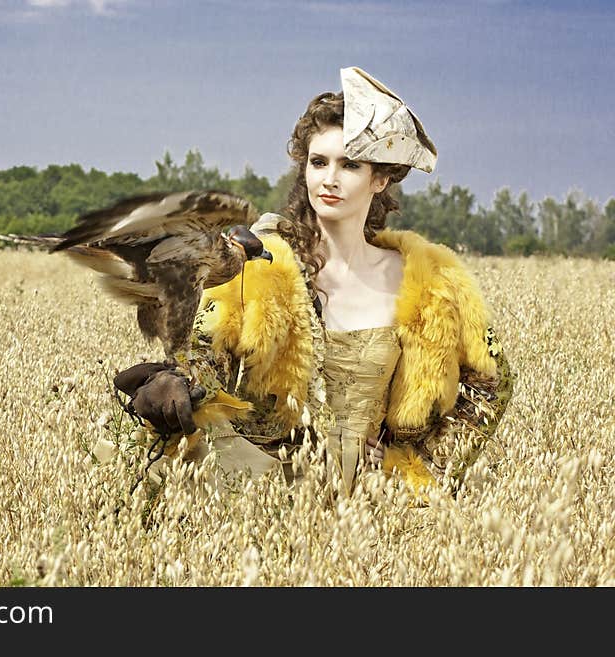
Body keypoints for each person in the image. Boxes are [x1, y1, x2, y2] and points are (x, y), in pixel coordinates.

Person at [113, 67, 513, 498]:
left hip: (368, 507)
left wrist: (418, 462)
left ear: (379, 179)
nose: (329, 178)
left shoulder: (428, 282)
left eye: (350, 165)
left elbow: (492, 383)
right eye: (318, 162)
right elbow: (211, 354)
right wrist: (179, 383)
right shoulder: (261, 266)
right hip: (261, 491)